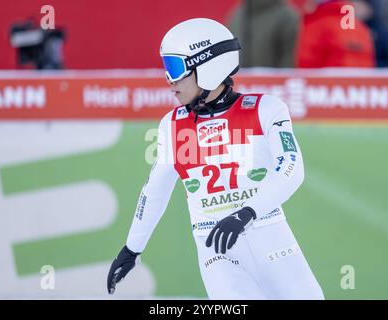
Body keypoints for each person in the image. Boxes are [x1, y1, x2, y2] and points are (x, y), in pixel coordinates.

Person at [106, 18, 324, 300]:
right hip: (215, 251)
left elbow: (292, 170)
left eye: (175, 68)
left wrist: (247, 213)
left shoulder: (266, 110)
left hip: (272, 241)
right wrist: (132, 248)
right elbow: (155, 190)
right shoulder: (172, 125)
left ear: (208, 66)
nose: (170, 82)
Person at [293, 0, 375, 68]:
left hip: (322, 86)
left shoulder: (315, 26)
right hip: (358, 86)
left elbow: (304, 64)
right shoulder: (360, 27)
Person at [228, 0, 299, 68]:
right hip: (240, 80)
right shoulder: (237, 16)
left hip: (273, 80)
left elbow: (289, 65)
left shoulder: (287, 17)